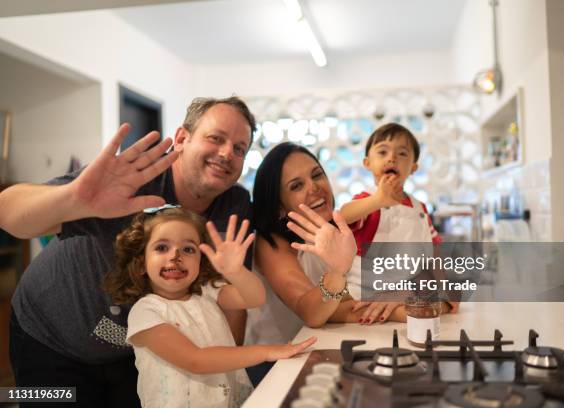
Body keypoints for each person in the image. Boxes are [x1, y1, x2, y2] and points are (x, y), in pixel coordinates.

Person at [0, 96, 256, 407]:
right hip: (46, 336)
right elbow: (8, 212)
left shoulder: (235, 207)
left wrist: (226, 380)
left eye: (240, 148)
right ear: (181, 139)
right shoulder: (132, 181)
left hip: (131, 350)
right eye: (215, 138)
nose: (227, 153)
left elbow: (232, 303)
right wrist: (74, 199)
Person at [104, 207, 315, 408]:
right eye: (162, 247)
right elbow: (196, 360)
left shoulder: (207, 292)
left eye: (188, 249)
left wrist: (235, 272)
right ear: (141, 264)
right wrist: (267, 351)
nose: (175, 255)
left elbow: (254, 298)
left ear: (201, 261)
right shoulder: (145, 312)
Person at [245, 142, 407, 359]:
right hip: (272, 363)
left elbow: (350, 303)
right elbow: (311, 312)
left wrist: (401, 296)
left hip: (318, 350)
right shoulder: (270, 243)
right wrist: (338, 272)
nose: (314, 187)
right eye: (296, 186)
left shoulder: (332, 231)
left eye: (317, 175)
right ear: (279, 207)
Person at [340, 122, 459, 311]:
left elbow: (433, 250)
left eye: (402, 153)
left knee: (443, 305)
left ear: (413, 167)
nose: (392, 158)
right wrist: (378, 200)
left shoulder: (420, 208)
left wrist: (442, 284)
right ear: (367, 163)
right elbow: (342, 217)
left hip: (405, 293)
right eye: (382, 152)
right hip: (364, 293)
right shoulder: (366, 201)